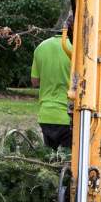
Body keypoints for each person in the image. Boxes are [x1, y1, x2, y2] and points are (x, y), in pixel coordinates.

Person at [31, 16, 73, 150]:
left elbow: (35, 81)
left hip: (46, 115)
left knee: (50, 162)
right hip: (68, 117)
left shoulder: (41, 47)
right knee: (68, 163)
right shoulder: (77, 49)